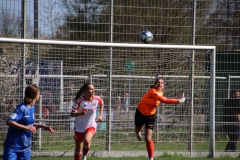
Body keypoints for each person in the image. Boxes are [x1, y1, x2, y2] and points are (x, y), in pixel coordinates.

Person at [134, 78, 185, 160]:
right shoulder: (153, 91)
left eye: (162, 83)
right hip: (140, 112)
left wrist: (178, 99)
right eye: (158, 82)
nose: (160, 83)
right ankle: (137, 131)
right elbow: (166, 101)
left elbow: (166, 99)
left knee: (147, 138)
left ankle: (151, 158)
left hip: (150, 115)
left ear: (163, 85)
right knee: (137, 128)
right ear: (155, 84)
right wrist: (179, 100)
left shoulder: (160, 93)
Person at [3, 84, 55, 160]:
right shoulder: (21, 108)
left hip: (25, 147)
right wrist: (26, 127)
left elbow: (29, 123)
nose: (39, 95)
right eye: (39, 93)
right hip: (13, 146)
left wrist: (43, 126)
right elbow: (9, 122)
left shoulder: (32, 108)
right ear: (35, 95)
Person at [70, 83, 104, 160]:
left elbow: (102, 102)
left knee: (87, 141)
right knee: (78, 149)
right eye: (91, 89)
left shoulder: (96, 99)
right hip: (79, 126)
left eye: (93, 89)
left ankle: (84, 156)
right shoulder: (79, 101)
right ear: (85, 91)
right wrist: (80, 113)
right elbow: (72, 114)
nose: (93, 90)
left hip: (91, 125)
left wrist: (101, 115)